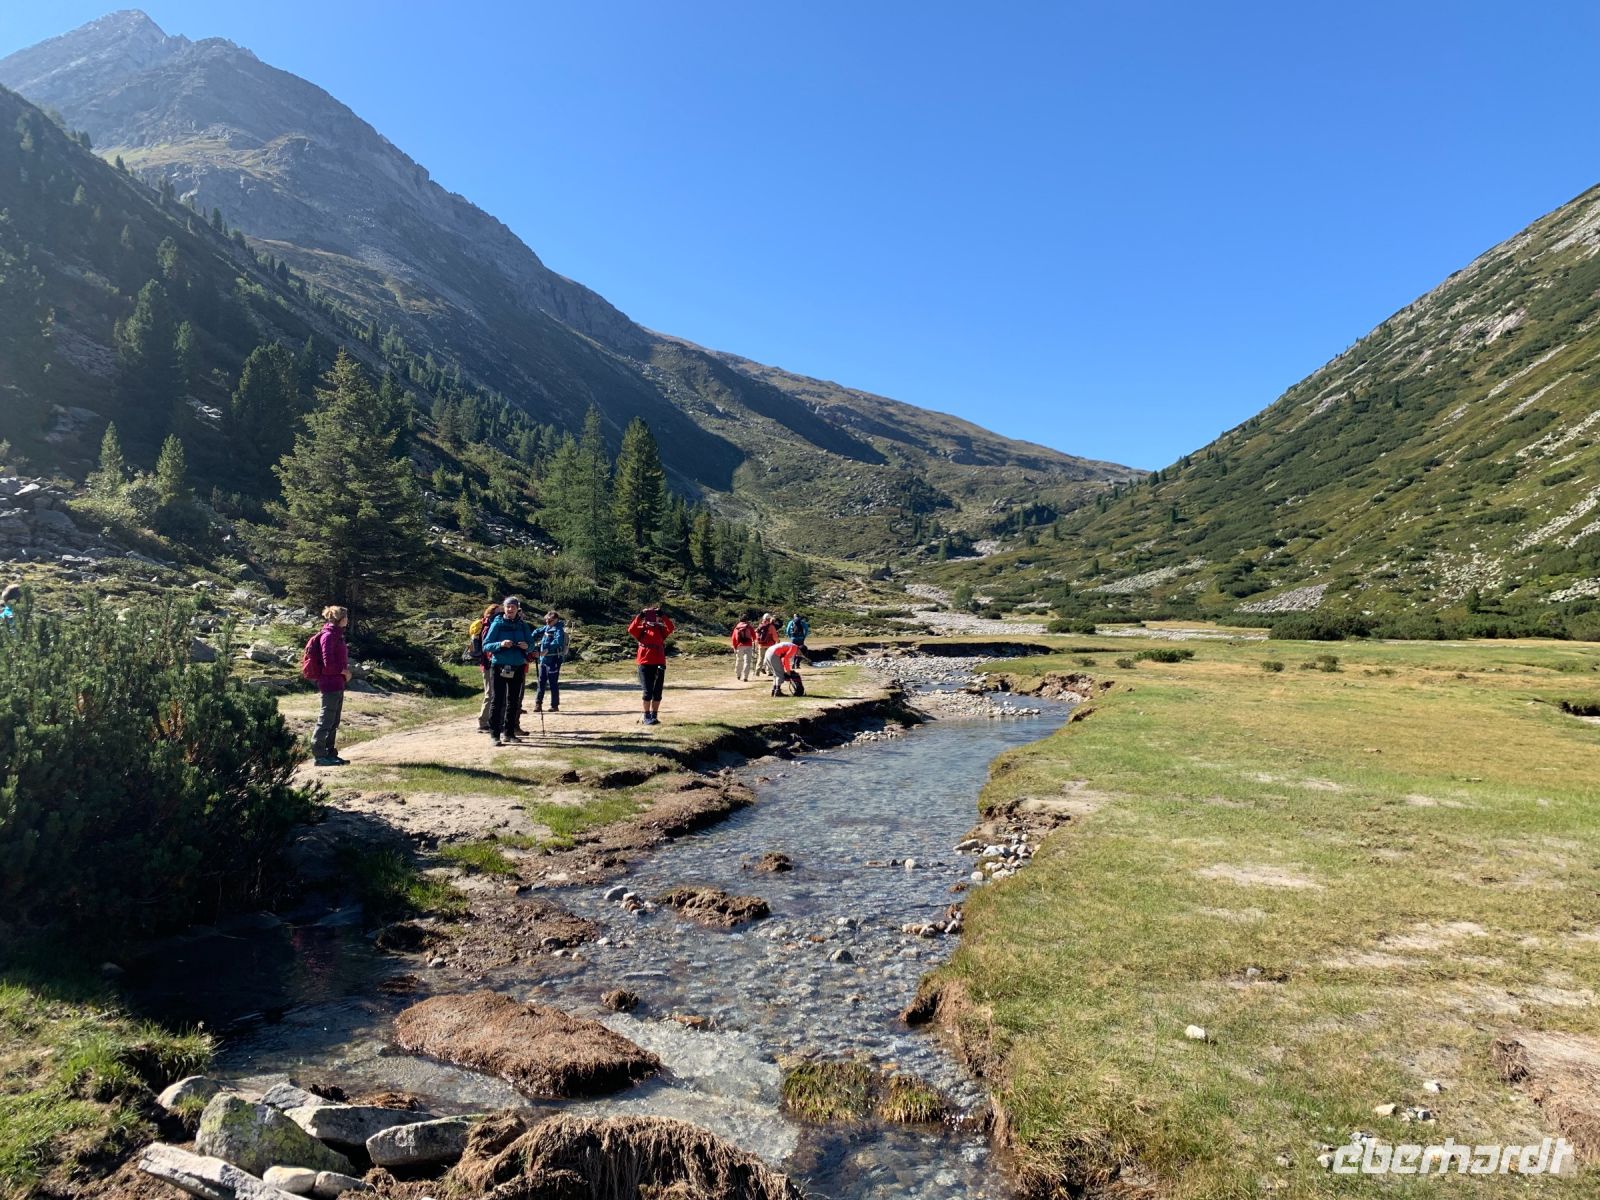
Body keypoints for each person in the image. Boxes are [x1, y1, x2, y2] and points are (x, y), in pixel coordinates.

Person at [484, 596, 534, 745]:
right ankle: (494, 735)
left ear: (517, 609)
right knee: (497, 700)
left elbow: (531, 645)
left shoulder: (523, 625)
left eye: (513, 607)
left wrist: (528, 647)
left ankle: (510, 733)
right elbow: (486, 645)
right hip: (499, 666)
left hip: (517, 667)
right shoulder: (497, 624)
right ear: (504, 608)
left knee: (513, 701)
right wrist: (500, 644)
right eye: (508, 607)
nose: (510, 609)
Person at [311, 605, 352, 766]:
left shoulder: (337, 635)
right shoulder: (328, 636)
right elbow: (328, 663)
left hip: (337, 683)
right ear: (340, 619)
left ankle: (330, 753)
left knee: (333, 721)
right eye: (346, 617)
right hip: (329, 683)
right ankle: (319, 755)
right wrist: (344, 672)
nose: (348, 620)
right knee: (325, 720)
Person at [627, 604, 675, 726]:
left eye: (654, 615)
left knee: (657, 691)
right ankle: (646, 716)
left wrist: (662, 615)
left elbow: (671, 627)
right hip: (644, 663)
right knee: (647, 691)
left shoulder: (660, 629)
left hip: (659, 662)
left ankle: (654, 716)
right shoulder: (641, 629)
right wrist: (640, 615)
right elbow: (631, 629)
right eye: (649, 615)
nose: (652, 617)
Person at [469, 603, 502, 733]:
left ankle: (488, 721)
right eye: (499, 612)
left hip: (487, 664)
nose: (501, 614)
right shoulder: (488, 626)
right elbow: (486, 647)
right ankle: (483, 722)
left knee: (492, 693)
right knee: (490, 694)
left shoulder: (486, 624)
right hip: (489, 664)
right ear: (492, 613)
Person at [534, 610, 567, 713]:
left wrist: (548, 648)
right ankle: (538, 704)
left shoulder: (558, 629)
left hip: (554, 660)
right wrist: (530, 640)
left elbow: (558, 641)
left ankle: (554, 705)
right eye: (546, 620)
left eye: (550, 620)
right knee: (541, 682)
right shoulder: (546, 628)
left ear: (556, 620)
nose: (547, 622)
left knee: (553, 683)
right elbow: (536, 632)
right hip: (543, 660)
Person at [730, 615, 757, 682]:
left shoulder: (736, 627)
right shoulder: (749, 627)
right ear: (746, 620)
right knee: (747, 661)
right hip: (748, 645)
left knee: (739, 660)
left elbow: (733, 638)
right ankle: (745, 677)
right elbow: (754, 636)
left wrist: (734, 646)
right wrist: (753, 641)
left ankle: (738, 675)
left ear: (740, 620)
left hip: (739, 646)